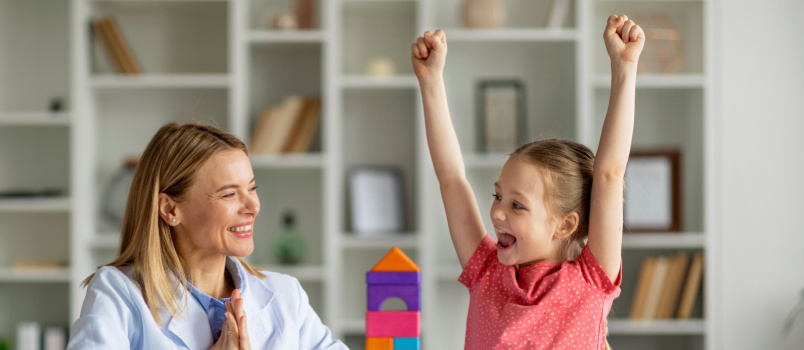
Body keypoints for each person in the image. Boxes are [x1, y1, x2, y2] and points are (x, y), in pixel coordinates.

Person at [411, 14, 644, 350]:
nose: (497, 213)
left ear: (565, 225)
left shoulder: (590, 281)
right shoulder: (486, 272)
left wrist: (624, 67)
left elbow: (609, 174)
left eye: (517, 205)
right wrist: (430, 81)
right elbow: (452, 180)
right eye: (497, 196)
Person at [67, 123, 346, 350]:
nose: (253, 206)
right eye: (229, 194)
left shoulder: (287, 295)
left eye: (252, 188)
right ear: (170, 209)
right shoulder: (118, 293)